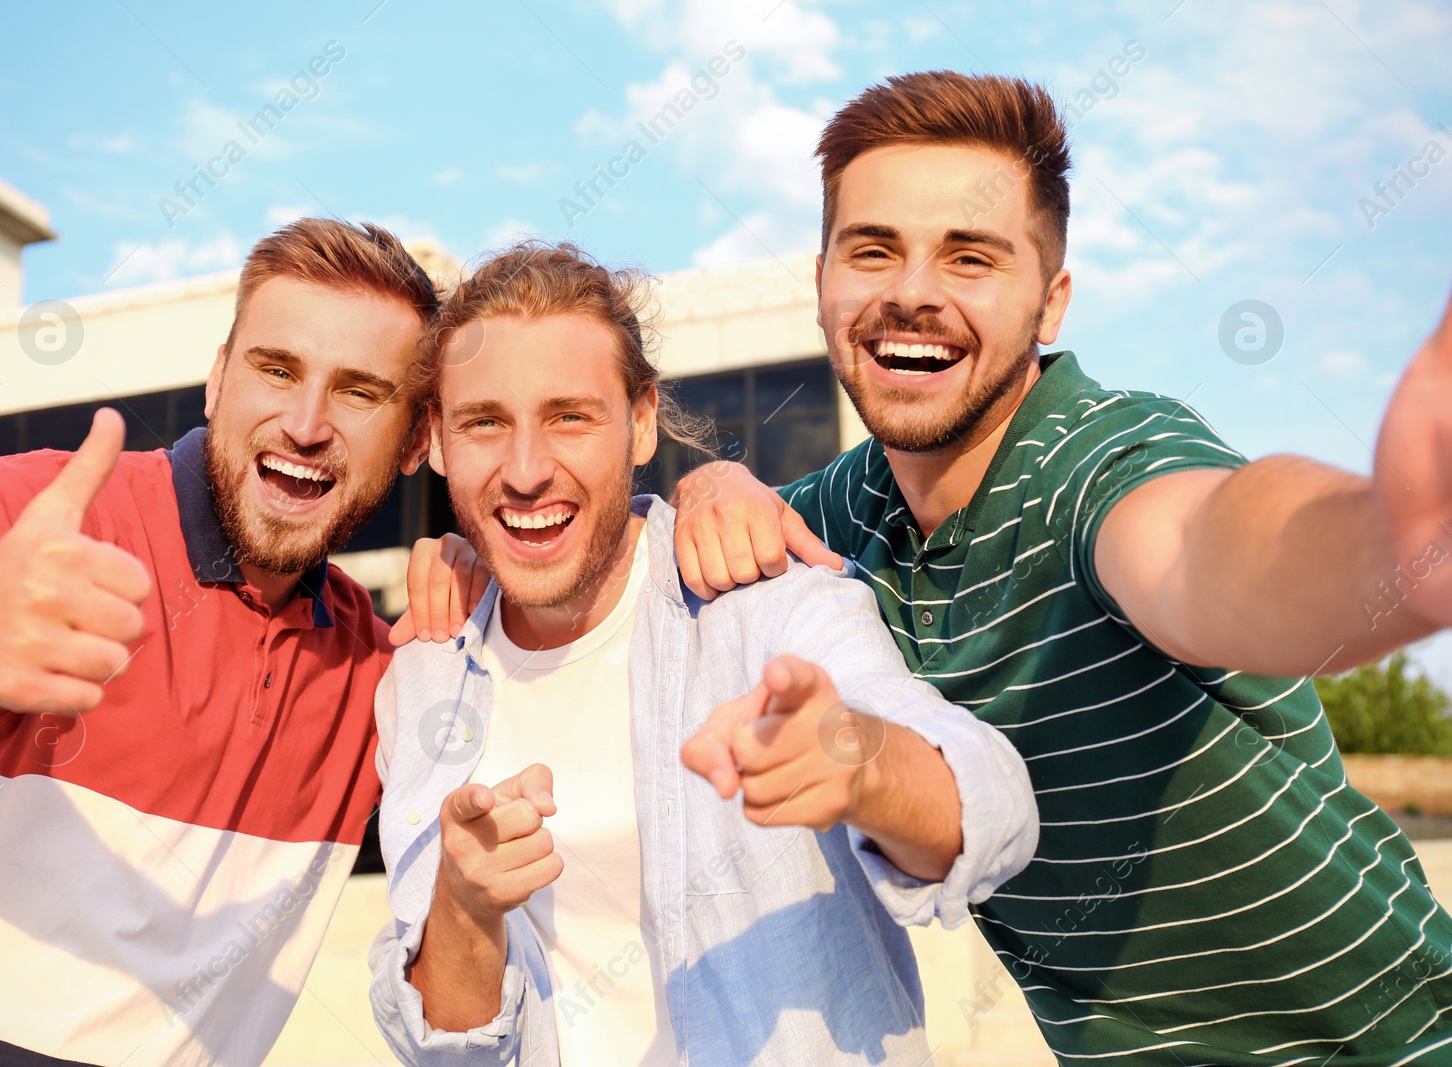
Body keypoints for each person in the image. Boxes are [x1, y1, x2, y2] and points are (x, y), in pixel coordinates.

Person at [397, 75, 1452, 1064]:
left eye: (969, 256)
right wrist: (527, 540)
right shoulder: (837, 517)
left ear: (1051, 303)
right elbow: (622, 534)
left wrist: (1392, 541)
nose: (911, 294)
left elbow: (1207, 544)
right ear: (820, 283)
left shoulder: (1092, 462)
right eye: (871, 250)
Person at [367, 241, 1038, 1065]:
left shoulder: (766, 602)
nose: (528, 470)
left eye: (570, 415)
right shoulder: (422, 680)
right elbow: (445, 1047)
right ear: (436, 440)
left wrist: (856, 764)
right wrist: (464, 908)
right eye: (485, 423)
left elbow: (995, 809)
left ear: (642, 420)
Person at [0, 218, 436, 1067]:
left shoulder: (382, 673)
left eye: (358, 392)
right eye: (276, 369)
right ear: (216, 381)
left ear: (416, 439)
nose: (306, 422)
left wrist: (701, 490)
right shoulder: (47, 509)